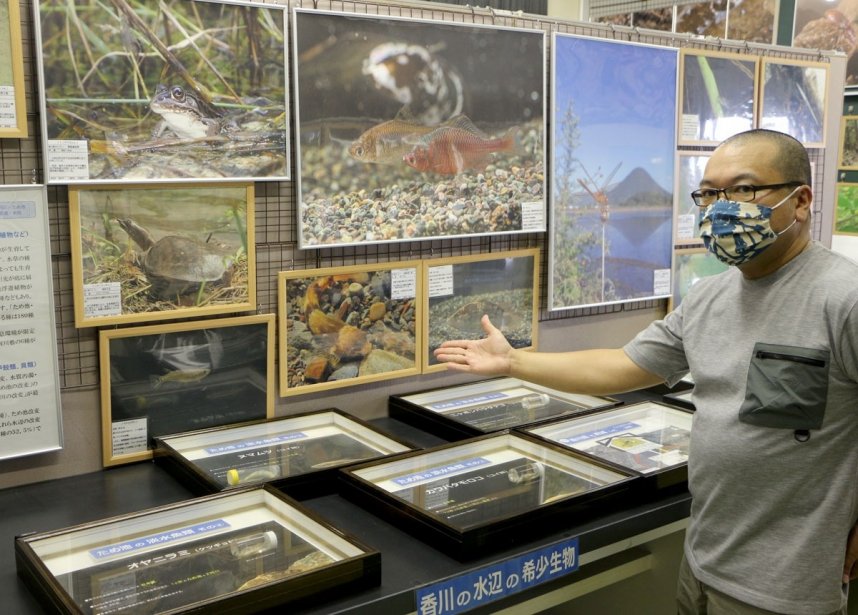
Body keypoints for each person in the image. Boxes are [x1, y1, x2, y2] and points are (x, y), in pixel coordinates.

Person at [434, 129, 858, 615]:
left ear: (800, 200)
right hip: (703, 563)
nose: (721, 208)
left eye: (742, 190)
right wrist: (513, 362)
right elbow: (624, 365)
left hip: (786, 588)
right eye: (710, 193)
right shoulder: (709, 298)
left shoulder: (843, 297)